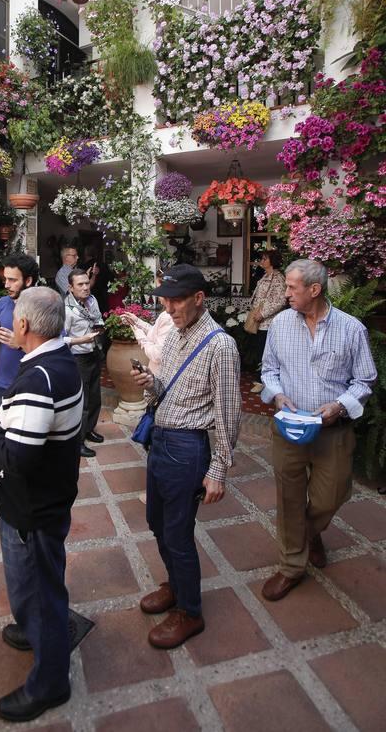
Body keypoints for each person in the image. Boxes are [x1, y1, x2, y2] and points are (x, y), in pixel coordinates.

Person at [0, 288, 83, 723]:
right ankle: (30, 626)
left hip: (34, 506)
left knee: (40, 590)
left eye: (14, 317)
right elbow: (36, 429)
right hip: (45, 499)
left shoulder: (40, 377)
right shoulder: (57, 361)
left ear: (24, 327)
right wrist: (4, 421)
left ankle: (50, 682)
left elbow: (19, 457)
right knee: (33, 582)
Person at [131, 265, 241, 649]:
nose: (168, 307)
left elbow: (228, 414)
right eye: (165, 299)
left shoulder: (220, 345)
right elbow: (170, 388)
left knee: (178, 533)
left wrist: (218, 470)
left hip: (187, 449)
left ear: (199, 299)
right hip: (160, 440)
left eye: (176, 300)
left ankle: (190, 612)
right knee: (156, 521)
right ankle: (176, 586)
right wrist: (152, 383)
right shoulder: (177, 335)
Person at [260, 259, 377, 600]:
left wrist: (340, 405)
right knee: (289, 498)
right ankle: (291, 567)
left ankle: (309, 534)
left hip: (333, 432)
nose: (286, 294)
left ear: (315, 290)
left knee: (333, 495)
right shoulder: (281, 324)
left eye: (291, 288)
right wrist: (277, 395)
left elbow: (365, 379)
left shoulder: (351, 329)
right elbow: (268, 370)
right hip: (289, 429)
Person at [0, 254, 39, 410]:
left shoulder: (43, 306)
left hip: (30, 385)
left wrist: (19, 344)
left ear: (28, 281)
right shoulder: (2, 303)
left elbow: (56, 347)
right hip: (2, 383)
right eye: (5, 280)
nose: (6, 285)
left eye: (12, 280)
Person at [63, 268, 105, 458]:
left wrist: (101, 328)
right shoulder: (66, 309)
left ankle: (89, 430)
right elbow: (61, 339)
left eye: (87, 283)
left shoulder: (92, 300)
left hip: (95, 353)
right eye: (80, 284)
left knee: (96, 396)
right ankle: (78, 441)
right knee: (82, 401)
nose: (86, 287)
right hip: (78, 358)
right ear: (70, 287)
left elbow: (97, 319)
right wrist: (82, 339)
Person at [247, 250, 287, 392]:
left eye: (265, 258)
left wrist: (263, 313)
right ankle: (262, 378)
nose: (262, 261)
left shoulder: (278, 278)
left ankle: (263, 381)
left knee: (266, 351)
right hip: (260, 321)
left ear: (272, 261)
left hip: (269, 322)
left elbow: (281, 300)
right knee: (260, 349)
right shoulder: (265, 276)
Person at [120, 273, 174, 375]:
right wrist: (137, 321)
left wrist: (140, 335)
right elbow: (156, 333)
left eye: (160, 290)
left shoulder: (169, 317)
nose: (158, 296)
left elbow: (157, 355)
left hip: (161, 374)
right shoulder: (166, 314)